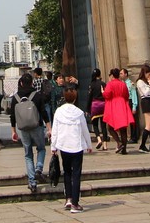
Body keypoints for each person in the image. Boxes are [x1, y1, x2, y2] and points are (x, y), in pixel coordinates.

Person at [50, 84, 92, 213]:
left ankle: (68, 199)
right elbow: (85, 130)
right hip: (76, 146)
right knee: (76, 174)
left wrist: (53, 145)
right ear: (74, 98)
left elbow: (55, 129)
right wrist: (89, 144)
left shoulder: (59, 111)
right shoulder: (79, 113)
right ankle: (75, 203)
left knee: (67, 172)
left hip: (64, 145)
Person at [8, 72, 50, 194]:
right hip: (37, 127)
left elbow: (12, 116)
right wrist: (49, 128)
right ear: (32, 83)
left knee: (28, 154)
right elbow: (43, 112)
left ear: (21, 83)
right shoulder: (36, 95)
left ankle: (32, 182)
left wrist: (13, 131)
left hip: (23, 129)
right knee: (41, 149)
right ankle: (39, 169)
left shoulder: (15, 97)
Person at [103, 68, 135, 154]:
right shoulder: (122, 84)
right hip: (122, 104)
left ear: (112, 75)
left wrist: (103, 92)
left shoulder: (110, 84)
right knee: (123, 129)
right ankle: (124, 149)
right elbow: (126, 95)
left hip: (113, 104)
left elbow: (107, 94)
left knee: (110, 127)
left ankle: (119, 142)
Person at [86, 68, 108, 150]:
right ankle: (105, 145)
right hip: (103, 105)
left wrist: (87, 109)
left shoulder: (91, 84)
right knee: (103, 125)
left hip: (95, 105)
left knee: (95, 124)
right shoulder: (103, 84)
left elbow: (89, 97)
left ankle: (99, 139)